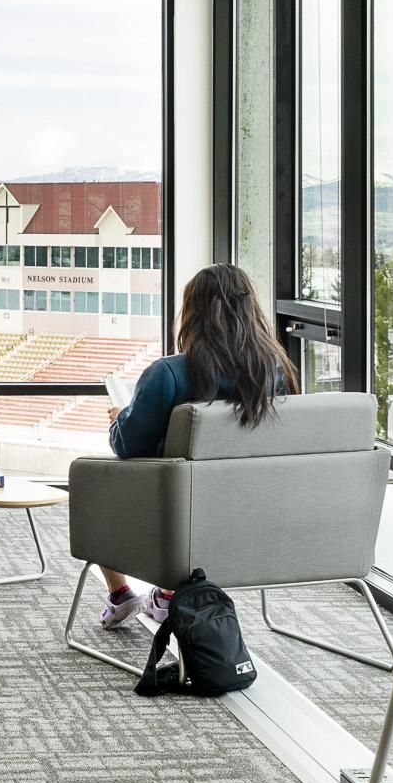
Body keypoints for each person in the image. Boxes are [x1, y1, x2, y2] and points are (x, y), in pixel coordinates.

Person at [95, 262, 299, 633]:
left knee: (97, 486)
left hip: (174, 518)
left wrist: (120, 417)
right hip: (255, 514)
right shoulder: (277, 371)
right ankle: (169, 595)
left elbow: (127, 445)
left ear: (192, 313)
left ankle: (123, 594)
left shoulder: (169, 373)